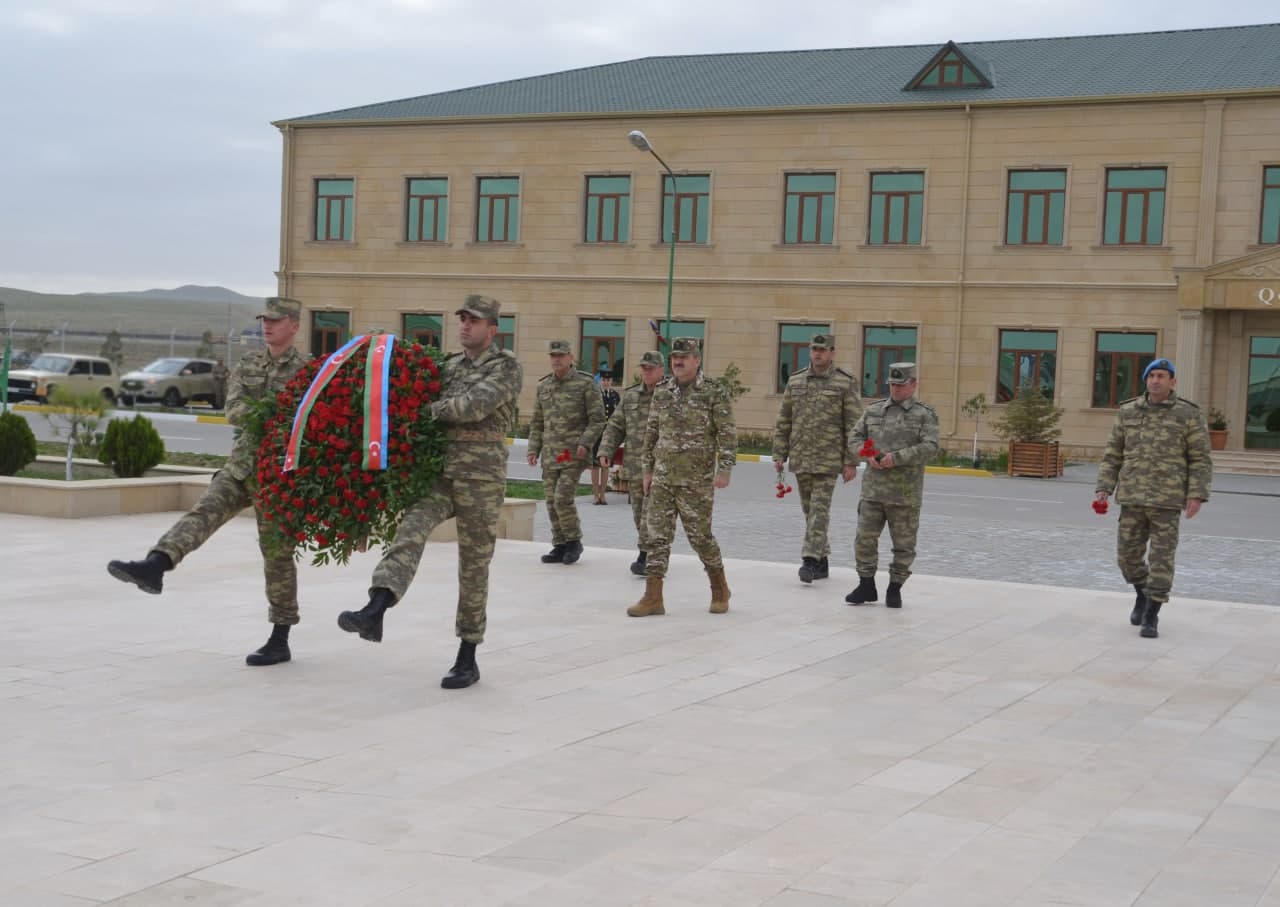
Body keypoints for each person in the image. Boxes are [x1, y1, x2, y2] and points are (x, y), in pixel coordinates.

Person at [107, 297, 308, 665]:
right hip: (242, 466)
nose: (268, 326)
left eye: (277, 321)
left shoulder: (308, 372)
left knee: (276, 555)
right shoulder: (248, 363)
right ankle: (156, 565)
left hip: (280, 475)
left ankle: (280, 637)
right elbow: (234, 409)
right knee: (203, 512)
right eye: (265, 320)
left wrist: (271, 414)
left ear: (294, 325)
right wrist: (275, 412)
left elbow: (307, 420)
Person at [337, 295, 523, 688]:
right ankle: (377, 607)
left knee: (473, 567)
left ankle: (467, 655)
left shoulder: (506, 367)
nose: (465, 326)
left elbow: (474, 406)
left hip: (481, 480)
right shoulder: (448, 366)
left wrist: (430, 410)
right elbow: (413, 392)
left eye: (473, 320)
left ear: (492, 329)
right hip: (440, 475)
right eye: (462, 320)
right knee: (410, 529)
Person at [1095, 357, 1212, 639]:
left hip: (1168, 501)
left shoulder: (1188, 414)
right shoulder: (1128, 412)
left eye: (1162, 376)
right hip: (1132, 497)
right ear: (1146, 381)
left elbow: (1200, 459)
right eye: (1152, 376)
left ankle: (1152, 615)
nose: (1156, 381)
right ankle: (1141, 594)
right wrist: (1103, 488)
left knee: (1161, 560)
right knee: (1127, 558)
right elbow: (1113, 454)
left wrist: (1196, 494)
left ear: (1172, 382)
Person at [628, 337, 736, 617]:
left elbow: (726, 434)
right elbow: (651, 432)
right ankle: (653, 597)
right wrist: (648, 470)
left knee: (700, 537)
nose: (678, 361)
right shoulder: (662, 391)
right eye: (675, 356)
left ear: (697, 360)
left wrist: (724, 469)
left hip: (695, 480)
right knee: (656, 538)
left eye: (684, 356)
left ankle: (719, 588)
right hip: (663, 477)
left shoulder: (714, 392)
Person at [845, 362, 939, 609]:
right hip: (873, 491)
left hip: (904, 493)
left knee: (904, 545)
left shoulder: (924, 414)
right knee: (864, 539)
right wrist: (866, 454)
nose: (896, 390)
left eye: (901, 385)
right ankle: (866, 584)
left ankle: (895, 587)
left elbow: (931, 447)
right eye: (892, 385)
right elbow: (855, 437)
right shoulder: (874, 411)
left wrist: (895, 458)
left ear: (913, 384)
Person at [772, 333, 863, 584]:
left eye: (823, 350)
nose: (818, 354)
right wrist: (779, 453)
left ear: (832, 352)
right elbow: (784, 420)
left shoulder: (844, 383)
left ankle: (809, 561)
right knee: (809, 510)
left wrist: (851, 461)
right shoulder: (796, 380)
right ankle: (823, 561)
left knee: (819, 511)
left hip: (828, 460)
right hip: (802, 456)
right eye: (814, 349)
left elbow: (854, 424)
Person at [526, 339, 605, 565]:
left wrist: (586, 442)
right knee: (551, 500)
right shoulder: (544, 386)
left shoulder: (585, 384)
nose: (557, 359)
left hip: (573, 454)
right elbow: (537, 422)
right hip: (551, 454)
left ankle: (574, 542)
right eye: (553, 356)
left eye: (561, 355)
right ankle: (559, 545)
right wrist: (533, 448)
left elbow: (597, 419)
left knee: (562, 498)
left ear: (571, 358)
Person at [598, 351, 665, 576]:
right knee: (639, 513)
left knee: (653, 514)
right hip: (636, 467)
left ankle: (650, 555)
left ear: (661, 370)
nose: (646, 372)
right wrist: (606, 449)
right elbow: (616, 425)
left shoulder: (671, 396)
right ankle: (648, 551)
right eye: (644, 368)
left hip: (663, 468)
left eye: (651, 368)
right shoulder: (631, 396)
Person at [591, 370, 621, 504]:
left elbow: (618, 414)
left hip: (609, 436)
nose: (606, 382)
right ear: (600, 380)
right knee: (595, 466)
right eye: (603, 380)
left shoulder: (615, 395)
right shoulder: (594, 395)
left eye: (608, 380)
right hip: (596, 434)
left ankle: (603, 494)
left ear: (611, 381)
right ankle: (595, 494)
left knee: (606, 465)